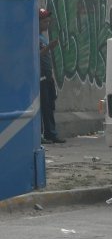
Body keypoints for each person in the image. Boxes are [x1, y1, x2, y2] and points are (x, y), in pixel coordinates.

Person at [39, 8, 65, 143]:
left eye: (48, 21)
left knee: (49, 106)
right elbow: (35, 56)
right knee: (42, 106)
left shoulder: (43, 37)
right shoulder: (33, 37)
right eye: (44, 22)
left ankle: (51, 133)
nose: (46, 24)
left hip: (47, 76)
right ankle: (41, 134)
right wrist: (48, 47)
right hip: (40, 77)